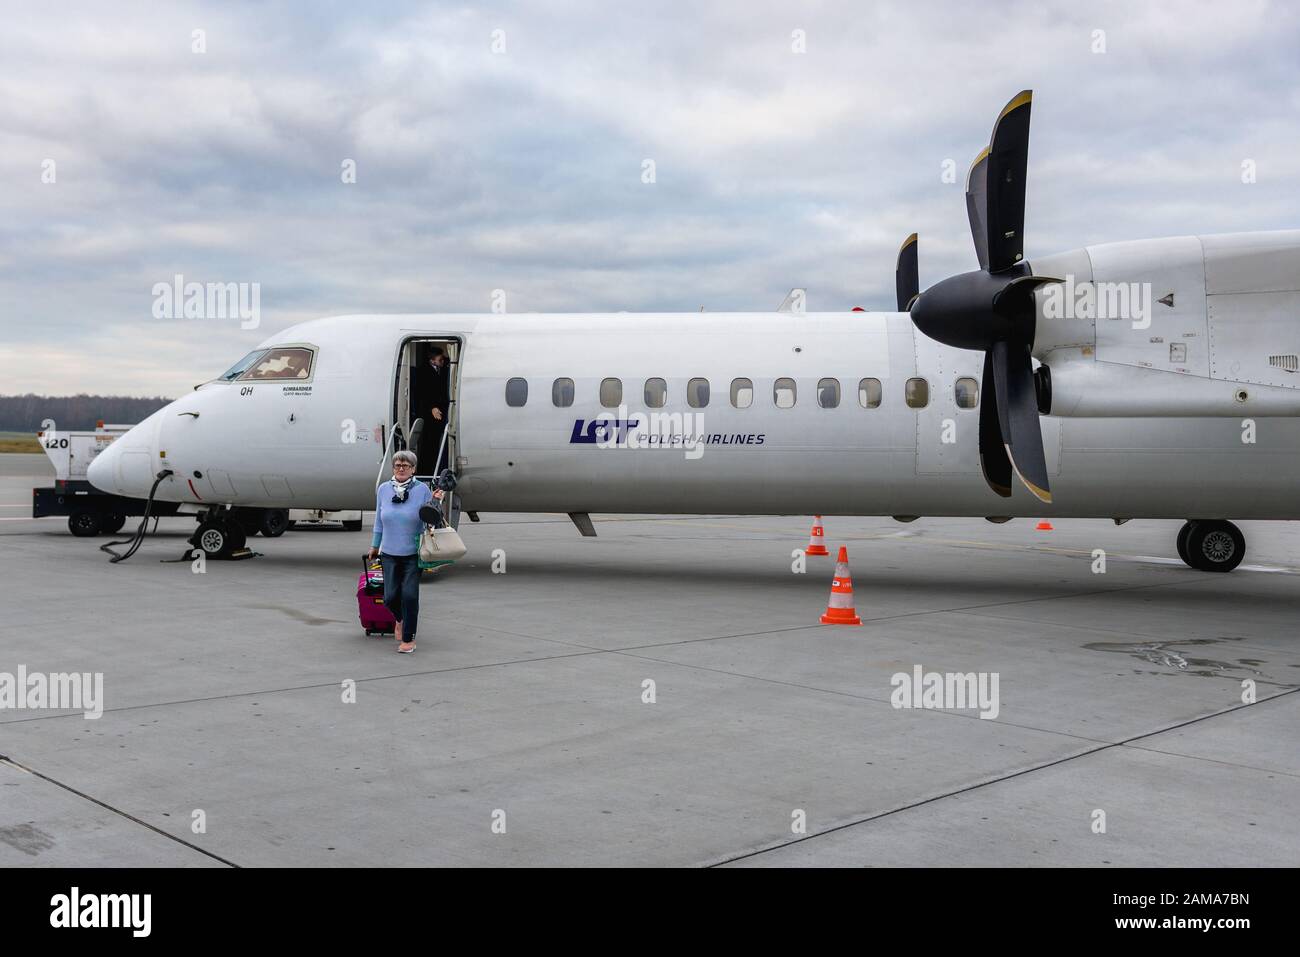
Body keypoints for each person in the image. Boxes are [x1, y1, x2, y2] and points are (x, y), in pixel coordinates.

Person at [366, 450, 443, 654]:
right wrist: (375, 546)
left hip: (413, 552)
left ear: (413, 469)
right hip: (389, 553)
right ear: (393, 468)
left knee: (409, 595)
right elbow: (378, 520)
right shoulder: (383, 489)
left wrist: (437, 501)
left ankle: (408, 639)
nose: (401, 468)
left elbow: (431, 519)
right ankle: (399, 619)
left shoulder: (422, 490)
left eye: (406, 466)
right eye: (398, 465)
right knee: (390, 597)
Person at [414, 346, 451, 474]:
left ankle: (437, 468)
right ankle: (426, 471)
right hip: (430, 412)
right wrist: (432, 408)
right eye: (440, 360)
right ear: (432, 360)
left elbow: (447, 358)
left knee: (438, 440)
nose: (442, 362)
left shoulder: (440, 368)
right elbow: (422, 393)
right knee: (429, 442)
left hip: (441, 409)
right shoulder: (423, 371)